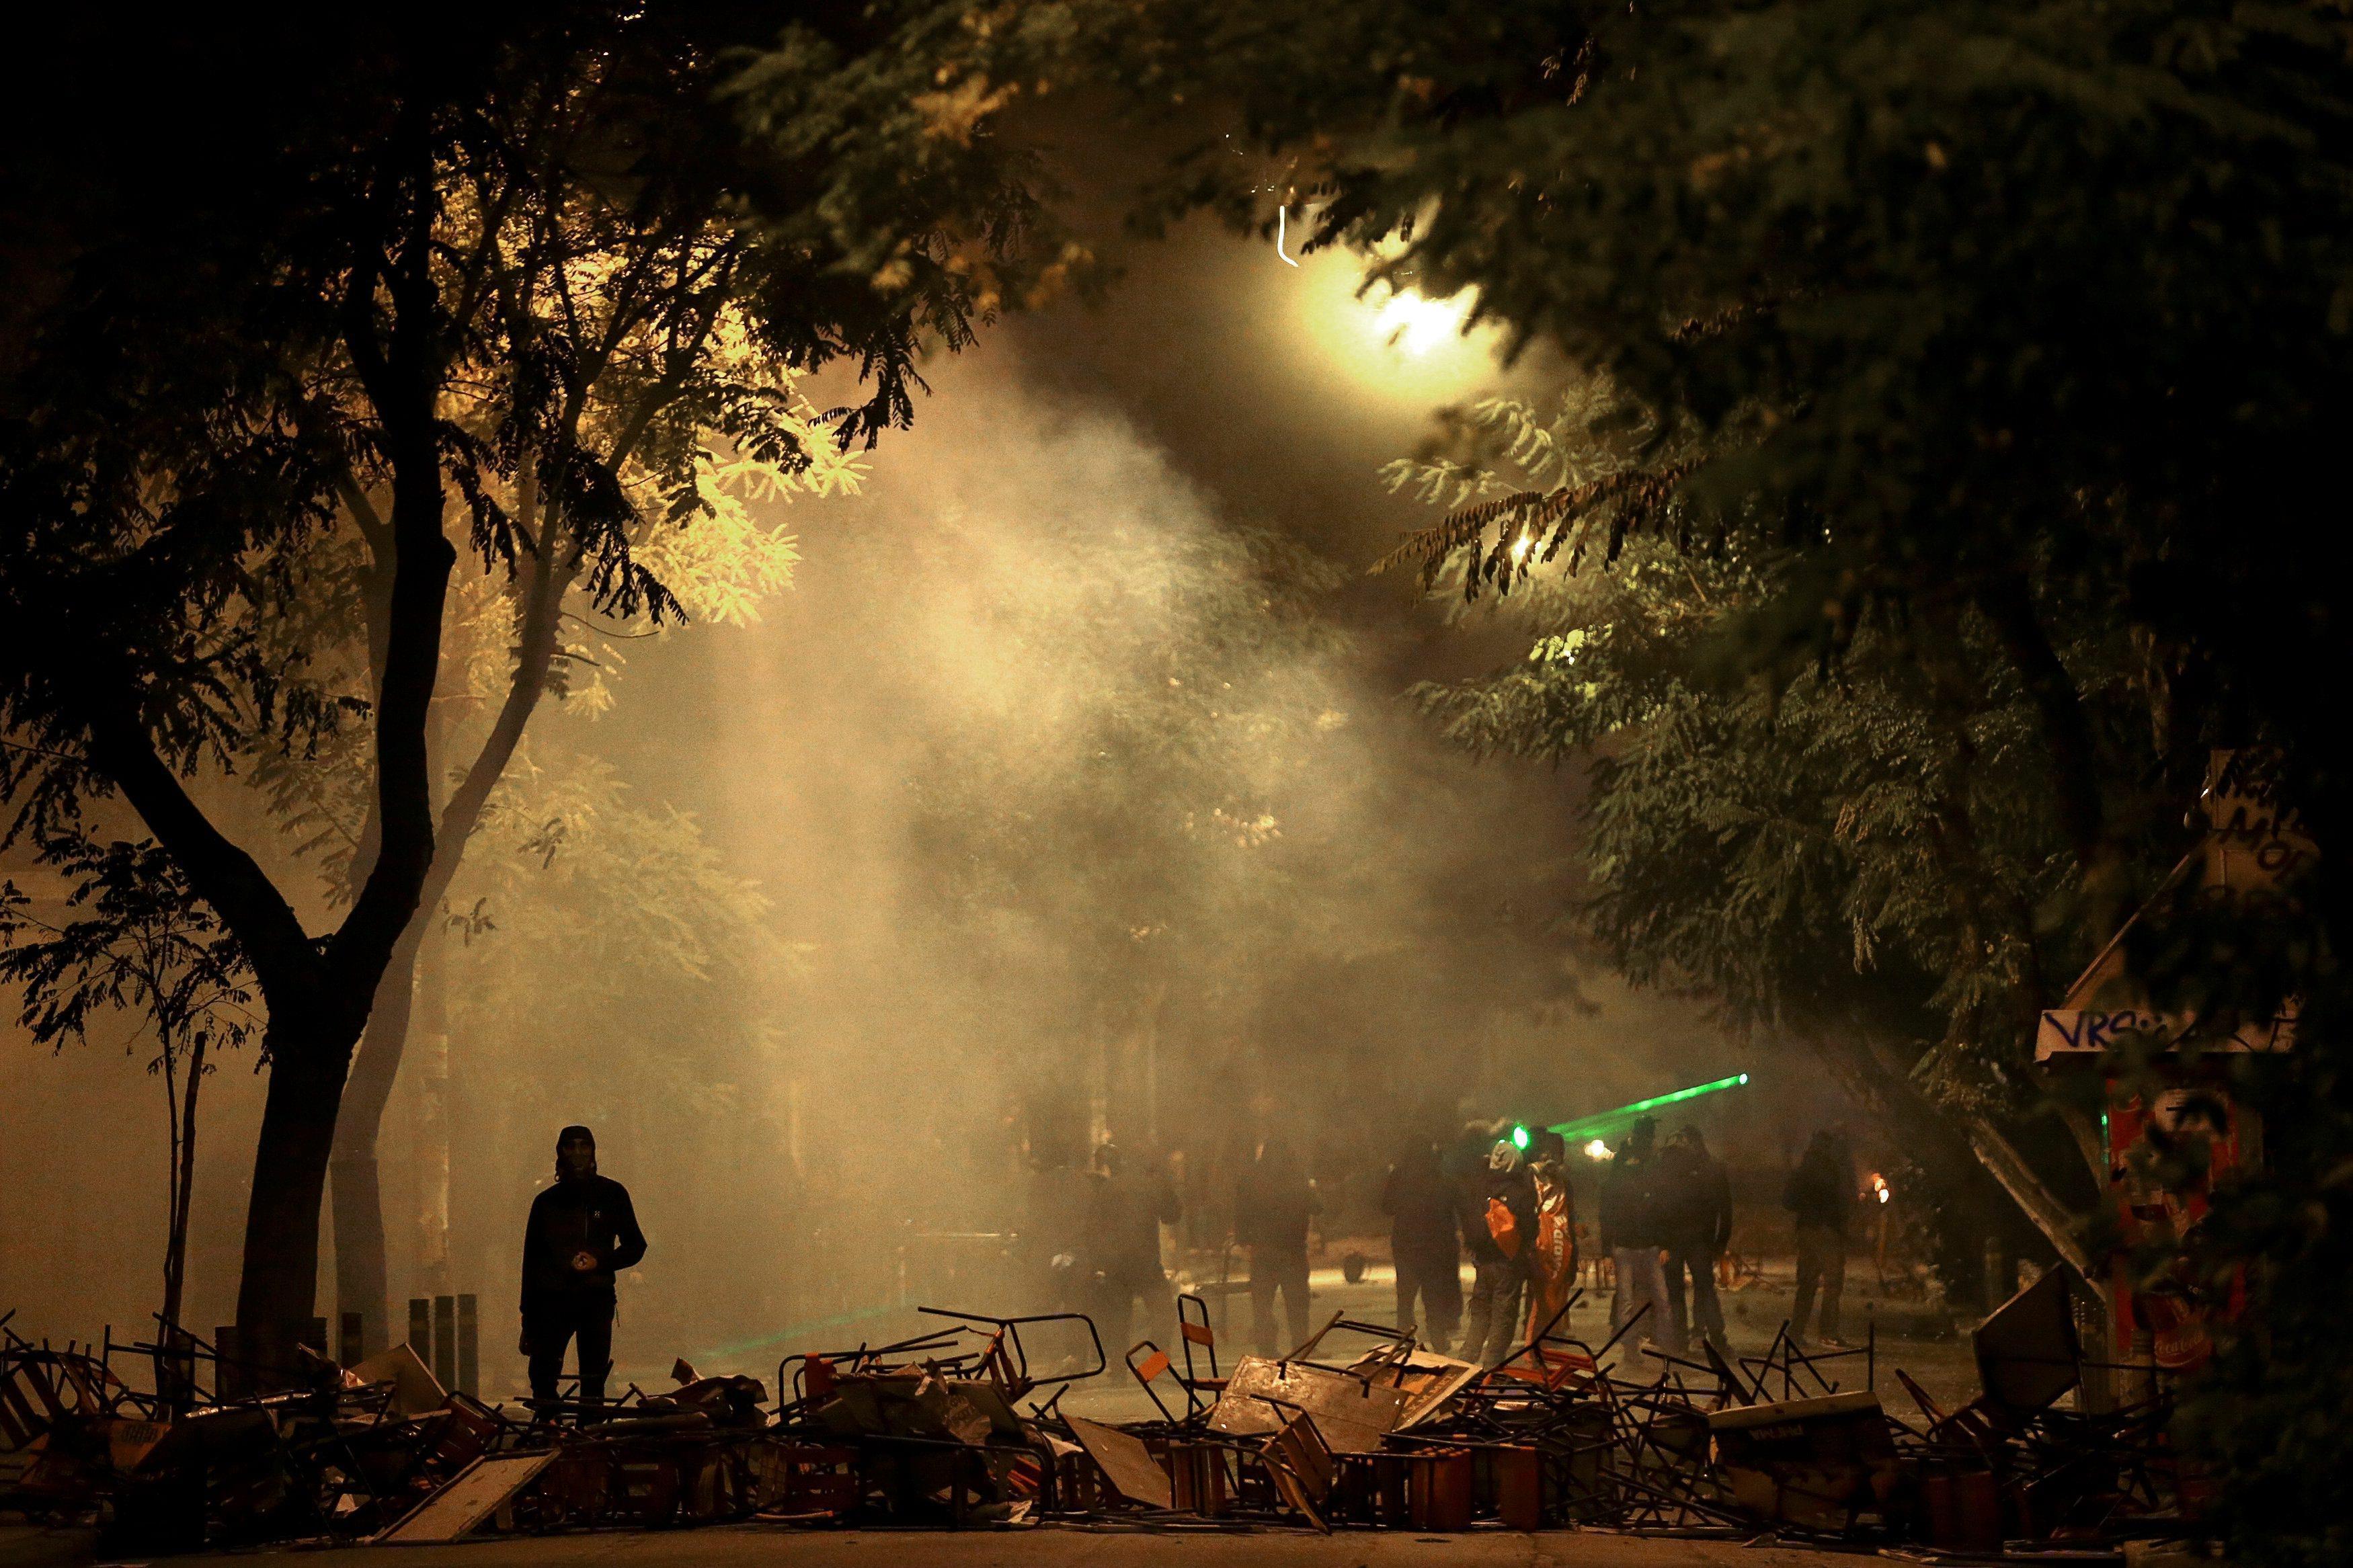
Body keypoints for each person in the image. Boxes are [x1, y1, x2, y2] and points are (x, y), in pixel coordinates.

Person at [520, 1125, 647, 1412]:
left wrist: (599, 1261)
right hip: (551, 1303)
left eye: (584, 1146)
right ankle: (551, 1434)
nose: (577, 1154)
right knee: (542, 1378)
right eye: (571, 1146)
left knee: (592, 1381)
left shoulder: (612, 1195)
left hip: (595, 1300)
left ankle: (588, 1440)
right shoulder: (545, 1203)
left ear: (592, 1152)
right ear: (560, 1153)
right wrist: (528, 1319)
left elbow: (636, 1245)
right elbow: (532, 1263)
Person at [1234, 1102, 1318, 1356]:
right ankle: (1300, 1348)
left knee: (1262, 1305)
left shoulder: (1251, 1178)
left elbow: (1241, 1212)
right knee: (1297, 1305)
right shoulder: (1297, 1179)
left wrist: (1244, 1239)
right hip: (1292, 1250)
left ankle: (1267, 1349)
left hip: (1263, 1251)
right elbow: (1318, 1206)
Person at [1084, 1140, 1183, 1350]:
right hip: (1146, 1263)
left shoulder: (1105, 1191)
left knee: (1119, 1321)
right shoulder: (1148, 1186)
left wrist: (1098, 1263)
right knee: (1163, 1315)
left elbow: (1092, 1230)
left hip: (1116, 1265)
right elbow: (1172, 1215)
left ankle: (1119, 1369)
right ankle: (1155, 1367)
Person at [1599, 1116, 1680, 1355]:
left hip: (1630, 1245)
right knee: (1659, 1298)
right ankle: (1660, 1344)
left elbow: (1607, 1213)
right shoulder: (1652, 1168)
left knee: (1628, 1300)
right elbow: (1662, 1209)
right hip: (1644, 1245)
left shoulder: (1620, 1170)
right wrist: (1664, 1243)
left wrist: (1607, 1249)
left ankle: (1632, 1346)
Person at [1458, 1136, 1538, 1368]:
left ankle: (1467, 1359)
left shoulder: (1481, 1187)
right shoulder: (1519, 1192)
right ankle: (1492, 1364)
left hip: (1483, 1261)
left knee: (1481, 1311)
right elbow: (1530, 1229)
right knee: (1504, 1314)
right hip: (1508, 1263)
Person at [1380, 1132, 1462, 1348]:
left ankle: (1404, 1338)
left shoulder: (1399, 1176)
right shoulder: (1440, 1176)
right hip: (1435, 1243)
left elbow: (1386, 1207)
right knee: (1433, 1293)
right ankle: (1438, 1337)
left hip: (1406, 1242)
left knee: (1405, 1295)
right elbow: (1452, 1206)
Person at [1657, 1126, 1733, 1354]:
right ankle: (1716, 1337)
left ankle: (1680, 1340)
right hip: (1701, 1240)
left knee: (1676, 1291)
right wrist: (1720, 1242)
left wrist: (1662, 1243)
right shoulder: (1711, 1169)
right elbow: (1724, 1210)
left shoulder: (1667, 1169)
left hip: (1674, 1240)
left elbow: (1660, 1209)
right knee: (1705, 1288)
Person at [1785, 1128, 1856, 1344]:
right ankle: (1828, 1332)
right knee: (1833, 1281)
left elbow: (1788, 1201)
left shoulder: (1803, 1169)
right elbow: (1844, 1199)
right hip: (1827, 1229)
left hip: (1807, 1228)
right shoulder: (1833, 1169)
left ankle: (1796, 1333)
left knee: (1807, 1282)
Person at [1521, 1129, 1579, 1345]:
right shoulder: (1530, 1178)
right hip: (1540, 1241)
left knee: (1558, 1285)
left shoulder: (1565, 1184)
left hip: (1560, 1240)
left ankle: (1555, 1328)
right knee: (1538, 1287)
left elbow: (1570, 1214)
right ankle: (1535, 1331)